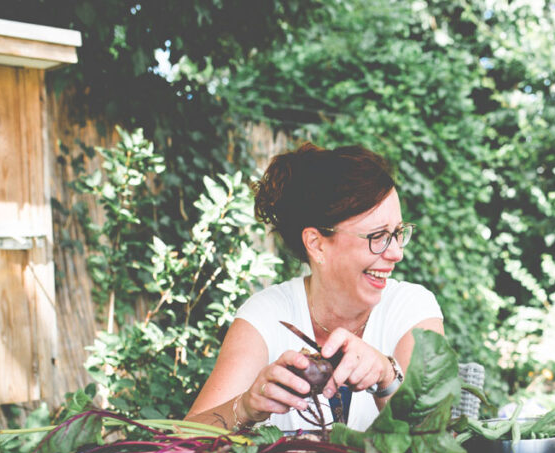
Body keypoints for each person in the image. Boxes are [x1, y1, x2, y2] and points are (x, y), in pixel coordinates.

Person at [185, 142, 443, 432]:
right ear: (316, 244)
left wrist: (387, 377)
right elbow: (182, 440)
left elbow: (436, 439)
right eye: (377, 236)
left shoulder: (412, 309)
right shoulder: (266, 316)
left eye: (397, 233)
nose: (397, 253)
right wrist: (244, 407)